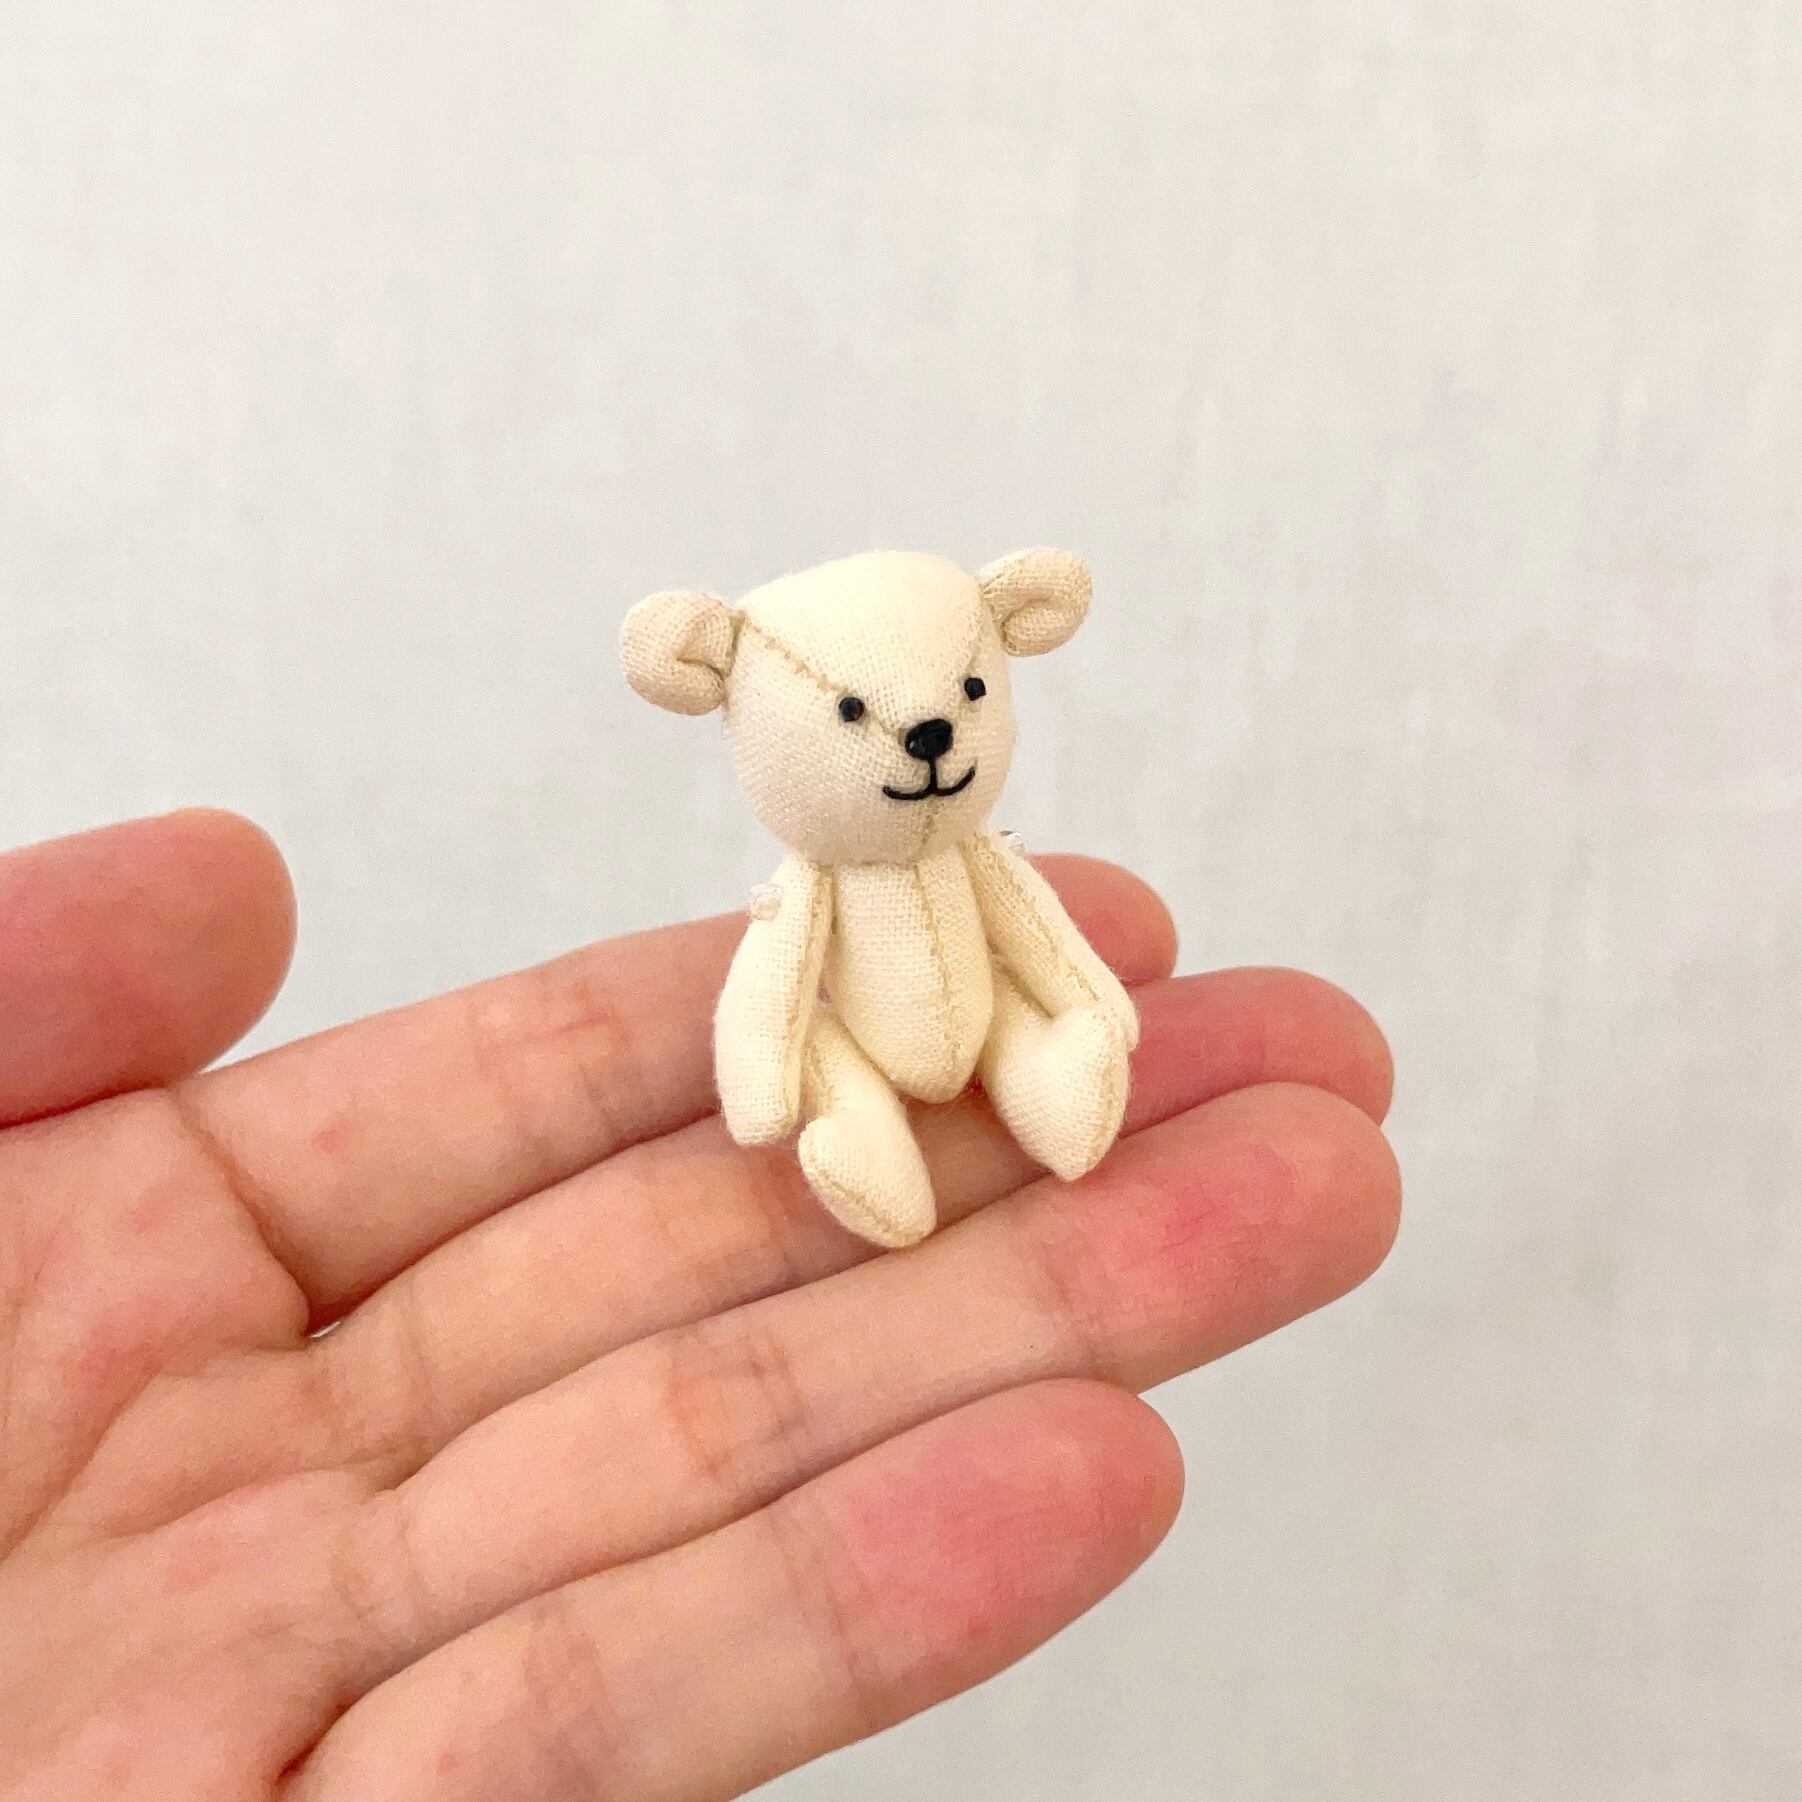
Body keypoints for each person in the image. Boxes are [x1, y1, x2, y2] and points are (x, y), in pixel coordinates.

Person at [0, 809, 1398, 1800]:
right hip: (863, 1059)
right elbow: (772, 995)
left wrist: (1080, 1002)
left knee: (1064, 1052)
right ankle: (861, 1135)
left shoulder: (975, 862)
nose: (918, 737)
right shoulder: (809, 895)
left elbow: (1041, 933)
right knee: (838, 1087)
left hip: (971, 1033)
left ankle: (1043, 1087)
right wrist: (769, 1074)